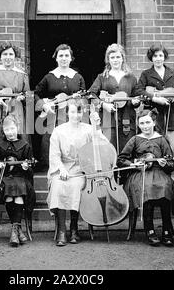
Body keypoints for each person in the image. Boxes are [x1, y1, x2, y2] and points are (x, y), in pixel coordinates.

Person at [47, 99, 106, 246]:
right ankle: (61, 230)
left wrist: (96, 126)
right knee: (58, 185)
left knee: (75, 186)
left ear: (83, 113)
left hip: (81, 169)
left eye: (79, 112)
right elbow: (54, 155)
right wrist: (61, 169)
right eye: (72, 112)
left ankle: (74, 228)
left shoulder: (88, 129)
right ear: (67, 112)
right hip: (62, 167)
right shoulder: (58, 130)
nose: (76, 115)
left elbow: (102, 143)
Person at [117, 109, 174, 247]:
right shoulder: (135, 139)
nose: (145, 126)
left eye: (147, 122)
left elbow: (171, 164)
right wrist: (133, 163)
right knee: (146, 188)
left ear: (154, 122)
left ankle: (167, 230)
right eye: (142, 123)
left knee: (165, 187)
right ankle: (149, 229)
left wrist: (164, 164)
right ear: (138, 125)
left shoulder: (162, 139)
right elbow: (121, 160)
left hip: (159, 173)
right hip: (140, 174)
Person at [0, 115, 36, 247]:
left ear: (17, 128)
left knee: (17, 187)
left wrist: (26, 167)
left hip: (21, 181)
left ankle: (14, 230)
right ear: (3, 131)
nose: (10, 132)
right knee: (10, 189)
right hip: (1, 180)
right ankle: (17, 230)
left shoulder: (25, 146)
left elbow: (31, 171)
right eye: (7, 130)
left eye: (12, 128)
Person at [34, 44, 86, 169]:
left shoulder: (78, 77)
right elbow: (36, 94)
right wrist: (44, 105)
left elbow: (84, 96)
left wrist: (79, 102)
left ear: (71, 58)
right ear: (56, 58)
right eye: (61, 55)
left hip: (71, 117)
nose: (63, 58)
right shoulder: (49, 77)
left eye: (66, 55)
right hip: (53, 118)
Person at [88, 43, 141, 153]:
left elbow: (136, 97)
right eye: (112, 57)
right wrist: (104, 105)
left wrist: (136, 102)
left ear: (123, 58)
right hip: (108, 120)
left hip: (127, 120)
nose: (115, 60)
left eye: (118, 57)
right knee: (109, 150)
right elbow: (91, 95)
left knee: (126, 150)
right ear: (108, 59)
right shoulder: (102, 77)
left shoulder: (131, 78)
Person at [138, 44, 174, 158]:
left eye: (161, 55)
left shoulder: (172, 73)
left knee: (173, 149)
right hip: (154, 114)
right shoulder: (146, 74)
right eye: (155, 56)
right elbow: (138, 90)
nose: (158, 58)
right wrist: (154, 98)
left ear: (164, 57)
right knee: (155, 148)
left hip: (171, 115)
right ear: (151, 58)